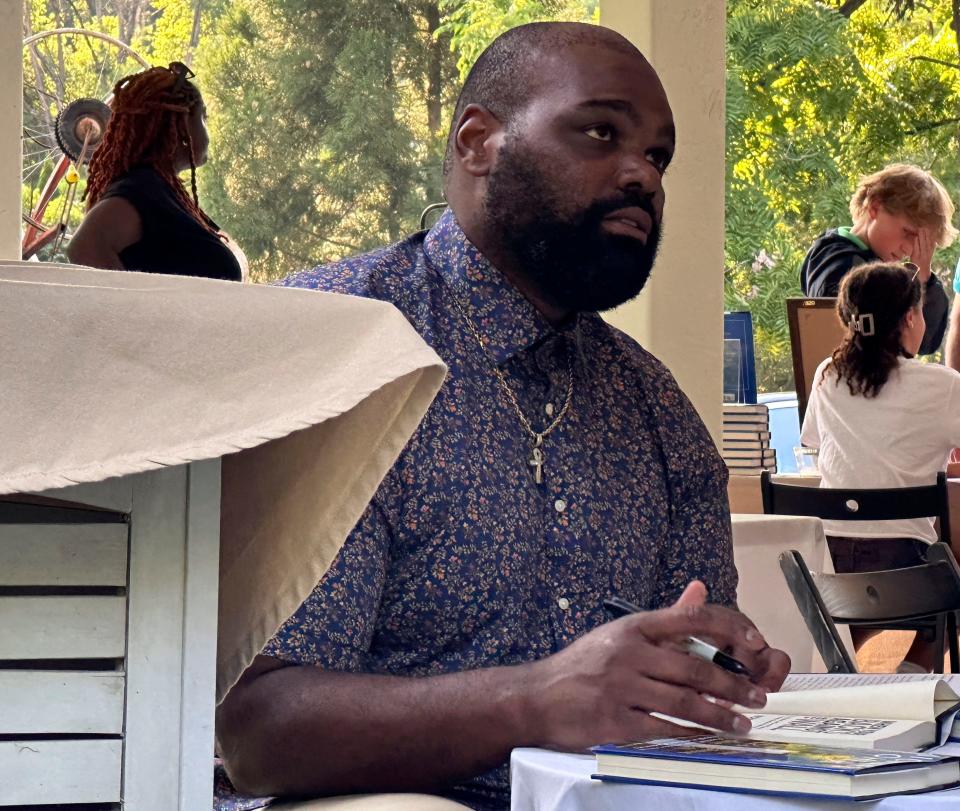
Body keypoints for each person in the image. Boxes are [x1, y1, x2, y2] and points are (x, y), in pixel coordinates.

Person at [214, 22, 789, 811]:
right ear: (479, 141)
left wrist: (709, 670)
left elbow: (681, 683)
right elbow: (255, 734)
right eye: (601, 131)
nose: (643, 177)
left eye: (658, 156)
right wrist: (537, 698)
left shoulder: (656, 409)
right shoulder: (337, 351)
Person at [801, 261, 960, 672]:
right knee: (953, 593)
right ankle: (911, 677)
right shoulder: (943, 386)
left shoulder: (826, 374)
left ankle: (845, 678)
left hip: (829, 566)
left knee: (856, 612)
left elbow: (817, 447)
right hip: (906, 569)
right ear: (910, 317)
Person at [67, 62, 247, 281]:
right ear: (182, 126)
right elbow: (84, 246)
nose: (207, 128)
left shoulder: (163, 191)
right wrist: (137, 307)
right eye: (203, 117)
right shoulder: (140, 190)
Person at [800, 163, 957, 355]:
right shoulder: (833, 260)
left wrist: (922, 279)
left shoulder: (879, 266)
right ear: (875, 206)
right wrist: (911, 286)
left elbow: (924, 343)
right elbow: (867, 334)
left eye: (919, 242)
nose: (909, 249)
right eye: (907, 232)